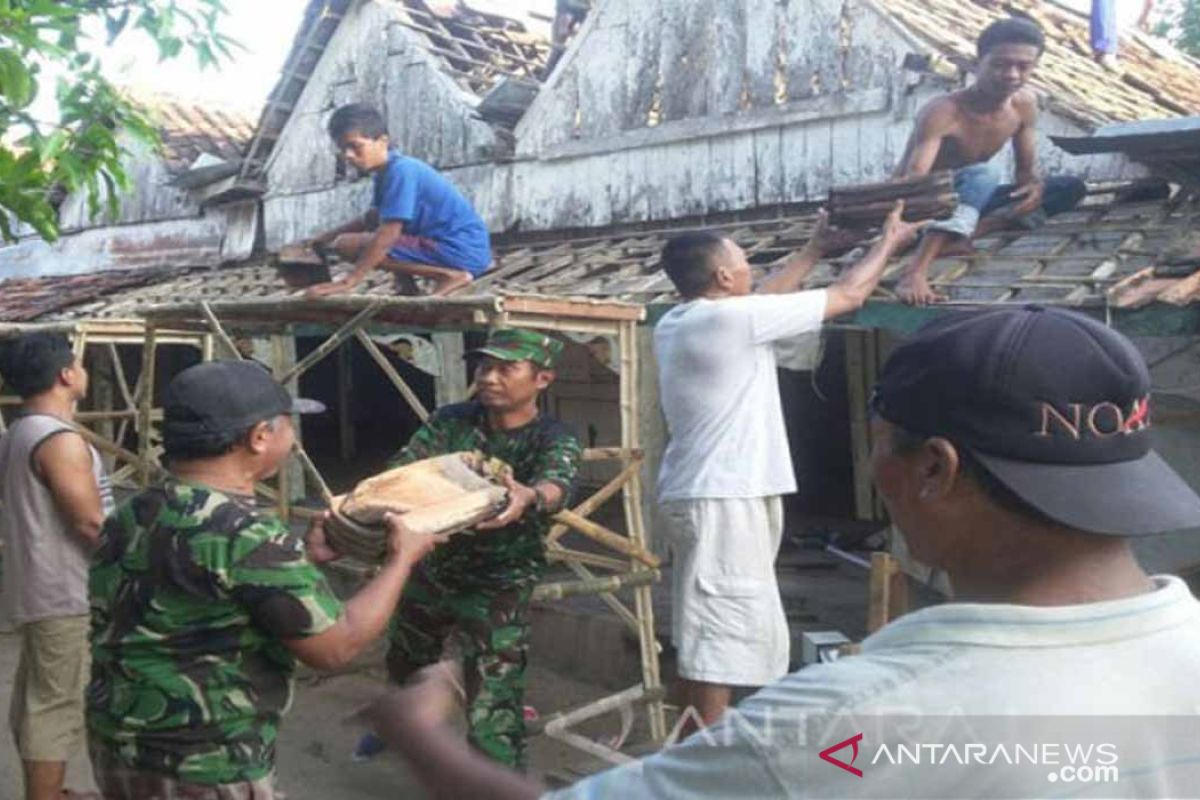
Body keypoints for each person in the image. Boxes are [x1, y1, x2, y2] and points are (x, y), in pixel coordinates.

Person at [353, 305, 1200, 799]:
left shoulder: (837, 726)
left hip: (493, 581)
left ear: (931, 469)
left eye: (878, 445)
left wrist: (423, 734)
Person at [85, 360, 444, 799]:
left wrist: (308, 560)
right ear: (258, 437)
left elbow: (209, 605)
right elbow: (336, 647)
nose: (292, 439)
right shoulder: (246, 535)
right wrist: (401, 560)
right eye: (286, 426)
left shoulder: (131, 513)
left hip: (118, 747)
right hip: (204, 763)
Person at [651, 203, 922, 730]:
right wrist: (889, 241)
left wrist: (814, 250)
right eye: (743, 260)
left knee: (713, 620)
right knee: (719, 628)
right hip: (723, 494)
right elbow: (849, 295)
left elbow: (761, 302)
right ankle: (705, 762)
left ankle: (697, 741)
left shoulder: (690, 318)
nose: (750, 266)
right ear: (724, 276)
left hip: (716, 491)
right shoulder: (731, 319)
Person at [378, 328, 582, 770]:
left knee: (492, 698)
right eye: (485, 367)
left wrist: (530, 496)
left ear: (542, 380)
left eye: (506, 369)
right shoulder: (452, 420)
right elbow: (405, 468)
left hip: (498, 580)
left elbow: (557, 484)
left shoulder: (553, 436)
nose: (489, 377)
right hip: (431, 566)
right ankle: (407, 728)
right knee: (406, 665)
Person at [895, 17, 1087, 305]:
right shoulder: (943, 111)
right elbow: (914, 183)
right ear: (978, 62)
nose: (1011, 74)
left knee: (1070, 187)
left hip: (973, 206)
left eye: (1023, 66)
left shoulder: (1024, 105)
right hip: (921, 207)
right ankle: (916, 269)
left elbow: (1025, 173)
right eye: (1000, 64)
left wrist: (1031, 190)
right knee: (983, 174)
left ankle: (968, 233)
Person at [0, 333, 113, 800]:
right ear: (66, 374)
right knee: (55, 704)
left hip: (33, 583)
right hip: (66, 589)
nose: (82, 371)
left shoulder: (17, 433)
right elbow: (89, 523)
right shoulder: (57, 440)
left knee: (37, 697)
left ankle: (48, 790)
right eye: (79, 364)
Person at [301, 102, 493, 298]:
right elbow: (372, 219)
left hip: (459, 249)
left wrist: (349, 281)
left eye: (355, 146)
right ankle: (407, 286)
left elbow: (388, 233)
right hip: (458, 247)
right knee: (376, 233)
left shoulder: (401, 171)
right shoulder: (385, 173)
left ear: (382, 141)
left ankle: (451, 275)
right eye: (343, 149)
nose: (348, 155)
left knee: (348, 245)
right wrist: (323, 238)